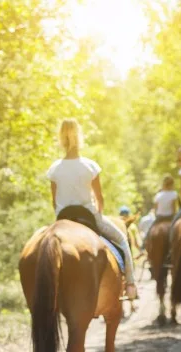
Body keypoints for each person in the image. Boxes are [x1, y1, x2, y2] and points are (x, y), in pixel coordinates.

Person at [47, 119, 138, 299]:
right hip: (88, 216)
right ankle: (130, 284)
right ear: (79, 137)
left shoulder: (55, 169)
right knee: (121, 240)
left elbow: (54, 202)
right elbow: (100, 199)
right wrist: (98, 212)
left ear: (61, 139)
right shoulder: (90, 166)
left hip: (63, 219)